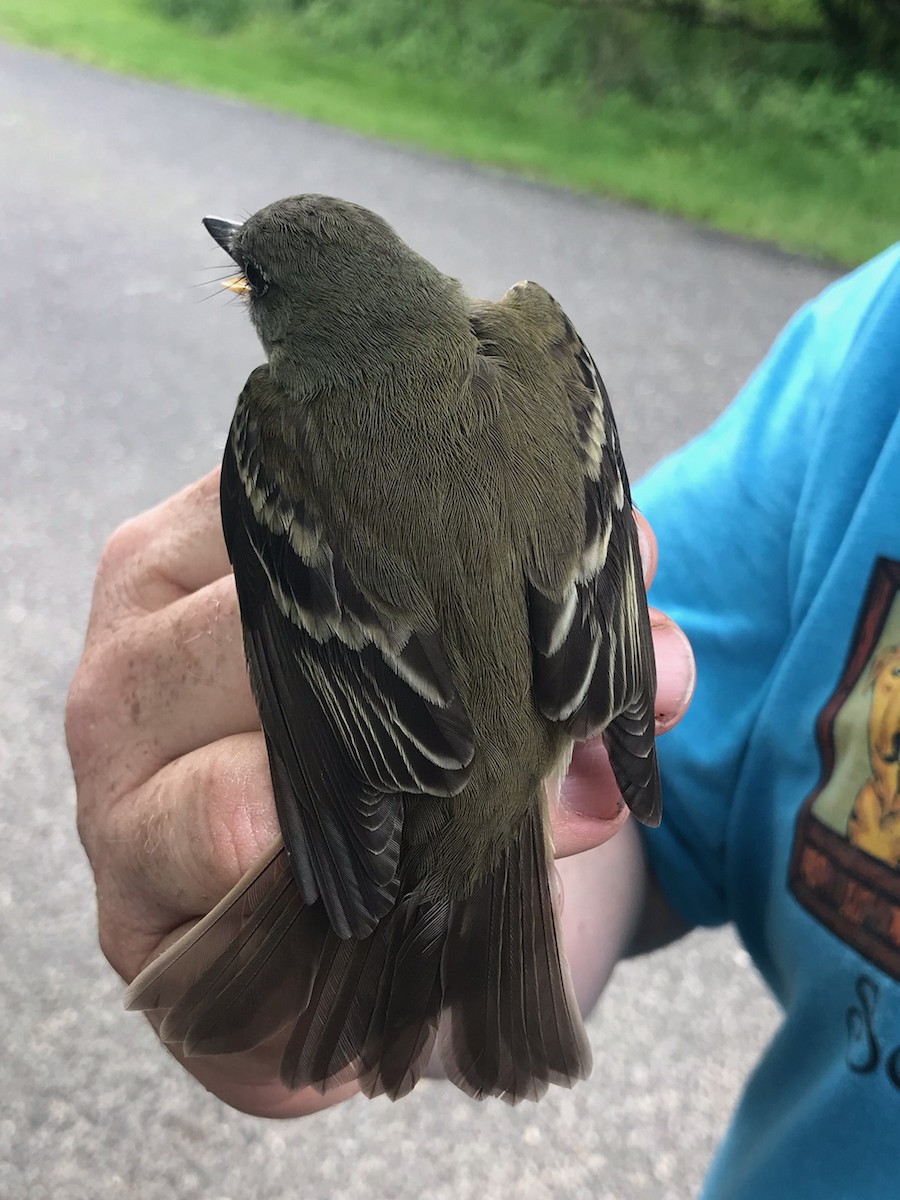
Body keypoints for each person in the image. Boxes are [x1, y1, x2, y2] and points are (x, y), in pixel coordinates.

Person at [66, 241, 900, 1195]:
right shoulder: (868, 354)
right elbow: (628, 810)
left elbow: (324, 651)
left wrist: (352, 858)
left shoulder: (284, 416)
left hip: (463, 724)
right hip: (524, 754)